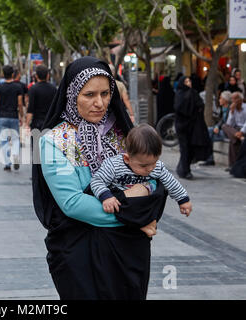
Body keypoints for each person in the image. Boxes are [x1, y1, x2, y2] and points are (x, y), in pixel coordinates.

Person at [32, 56, 168, 300]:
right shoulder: (54, 141)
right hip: (79, 252)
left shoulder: (123, 134)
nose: (100, 103)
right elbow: (72, 203)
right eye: (89, 95)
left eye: (105, 94)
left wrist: (145, 194)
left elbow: (154, 176)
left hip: (127, 253)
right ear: (72, 95)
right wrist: (132, 216)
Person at [90, 124, 192, 237]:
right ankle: (142, 224)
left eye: (154, 162)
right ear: (127, 159)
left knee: (151, 193)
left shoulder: (157, 167)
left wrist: (183, 200)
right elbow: (97, 181)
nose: (150, 169)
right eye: (143, 166)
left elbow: (171, 182)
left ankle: (144, 222)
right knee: (120, 205)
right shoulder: (113, 165)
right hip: (121, 201)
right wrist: (106, 196)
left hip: (141, 203)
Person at [174, 76, 211, 179]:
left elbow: (200, 105)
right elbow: (179, 108)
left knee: (190, 148)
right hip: (182, 126)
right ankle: (185, 171)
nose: (188, 83)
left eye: (189, 81)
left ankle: (182, 168)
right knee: (184, 148)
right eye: (186, 81)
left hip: (193, 126)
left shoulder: (193, 93)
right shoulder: (180, 94)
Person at [0, 65, 24, 171]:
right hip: (14, 116)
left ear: (3, 74)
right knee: (15, 138)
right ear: (13, 74)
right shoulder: (18, 87)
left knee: (4, 140)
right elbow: (20, 103)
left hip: (2, 117)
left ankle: (7, 163)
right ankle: (15, 154)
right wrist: (21, 116)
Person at [201, 90, 231, 166]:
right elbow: (221, 121)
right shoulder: (223, 108)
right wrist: (217, 126)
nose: (219, 100)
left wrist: (218, 128)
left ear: (226, 100)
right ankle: (209, 158)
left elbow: (228, 123)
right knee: (208, 132)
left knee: (208, 135)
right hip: (221, 130)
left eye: (221, 98)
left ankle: (209, 159)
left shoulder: (230, 109)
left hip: (228, 132)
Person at [221, 92, 246, 169]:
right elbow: (229, 124)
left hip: (244, 129)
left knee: (233, 141)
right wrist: (231, 112)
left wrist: (242, 131)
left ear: (241, 100)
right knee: (224, 126)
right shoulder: (232, 108)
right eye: (232, 99)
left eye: (235, 98)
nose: (233, 101)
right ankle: (238, 137)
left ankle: (232, 165)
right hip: (235, 130)